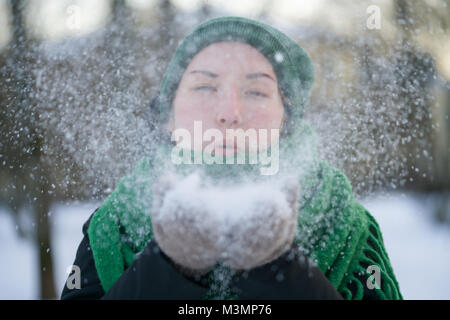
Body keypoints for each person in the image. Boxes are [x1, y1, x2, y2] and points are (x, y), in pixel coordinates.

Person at [61, 16, 403, 300]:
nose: (229, 113)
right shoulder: (112, 226)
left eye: (256, 91)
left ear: (286, 120)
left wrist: (279, 268)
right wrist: (165, 267)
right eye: (205, 87)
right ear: (169, 116)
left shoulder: (347, 224)